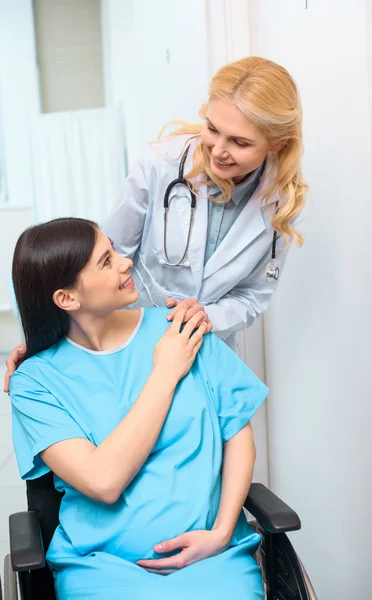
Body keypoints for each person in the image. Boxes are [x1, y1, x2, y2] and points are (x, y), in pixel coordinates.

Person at [4, 55, 307, 392]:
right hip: (133, 342)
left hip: (209, 351)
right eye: (212, 129)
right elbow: (103, 263)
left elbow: (252, 297)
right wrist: (48, 342)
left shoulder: (282, 201)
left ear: (276, 144)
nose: (219, 150)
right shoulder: (161, 165)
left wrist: (208, 317)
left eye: (239, 142)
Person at [10, 217, 268, 600]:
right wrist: (166, 372)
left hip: (212, 561)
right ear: (67, 299)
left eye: (114, 250)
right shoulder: (35, 381)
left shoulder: (181, 327)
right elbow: (103, 482)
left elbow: (237, 435)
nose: (125, 262)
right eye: (105, 261)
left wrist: (222, 533)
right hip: (100, 568)